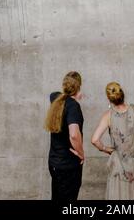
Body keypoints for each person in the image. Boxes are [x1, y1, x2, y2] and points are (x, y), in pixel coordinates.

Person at [91, 82, 134, 200]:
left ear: (109, 98)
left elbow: (95, 140)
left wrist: (107, 150)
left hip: (118, 167)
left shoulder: (108, 115)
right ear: (122, 94)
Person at [44, 71, 84, 203]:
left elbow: (55, 94)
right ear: (79, 87)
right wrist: (81, 153)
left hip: (54, 164)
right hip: (68, 165)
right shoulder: (73, 106)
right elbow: (73, 134)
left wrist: (74, 95)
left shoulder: (56, 99)